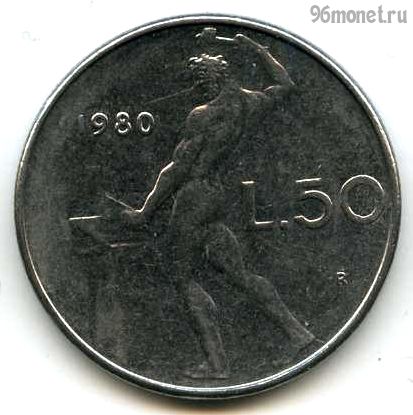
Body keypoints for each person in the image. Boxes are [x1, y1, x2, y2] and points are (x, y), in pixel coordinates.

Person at [122, 31, 315, 379]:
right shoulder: (250, 102)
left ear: (209, 79)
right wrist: (259, 50)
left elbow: (177, 168)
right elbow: (286, 84)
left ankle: (216, 364)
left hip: (195, 196)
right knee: (239, 273)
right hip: (219, 194)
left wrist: (144, 211)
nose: (195, 87)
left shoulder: (202, 115)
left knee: (182, 277)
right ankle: (299, 334)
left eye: (198, 80)